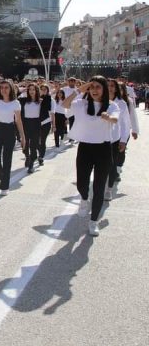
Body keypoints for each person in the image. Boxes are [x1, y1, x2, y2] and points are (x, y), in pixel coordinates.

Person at [63, 76, 119, 237]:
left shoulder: (112, 105)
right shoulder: (82, 104)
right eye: (92, 87)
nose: (94, 90)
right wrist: (80, 89)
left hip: (103, 149)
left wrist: (109, 117)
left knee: (99, 187)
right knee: (82, 183)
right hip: (85, 149)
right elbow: (64, 105)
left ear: (105, 90)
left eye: (98, 87)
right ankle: (84, 198)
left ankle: (93, 221)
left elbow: (116, 118)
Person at [105, 79, 130, 201]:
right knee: (101, 165)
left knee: (112, 165)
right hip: (99, 139)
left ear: (116, 88)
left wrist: (123, 140)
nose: (109, 88)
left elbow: (126, 123)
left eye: (112, 86)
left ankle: (109, 189)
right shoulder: (98, 100)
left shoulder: (121, 103)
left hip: (115, 138)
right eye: (107, 85)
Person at [20, 83, 42, 174]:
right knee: (25, 144)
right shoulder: (23, 100)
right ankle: (27, 156)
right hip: (25, 124)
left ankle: (31, 164)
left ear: (37, 91)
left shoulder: (41, 101)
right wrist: (23, 90)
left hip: (36, 124)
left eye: (33, 89)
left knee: (34, 145)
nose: (31, 91)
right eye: (30, 90)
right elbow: (14, 95)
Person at [37, 84, 56, 165]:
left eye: (45, 89)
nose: (43, 90)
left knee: (43, 140)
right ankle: (38, 152)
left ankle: (41, 156)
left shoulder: (51, 100)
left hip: (46, 122)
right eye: (42, 89)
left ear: (48, 90)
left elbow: (52, 113)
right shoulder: (36, 99)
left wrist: (53, 125)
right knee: (36, 140)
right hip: (36, 122)